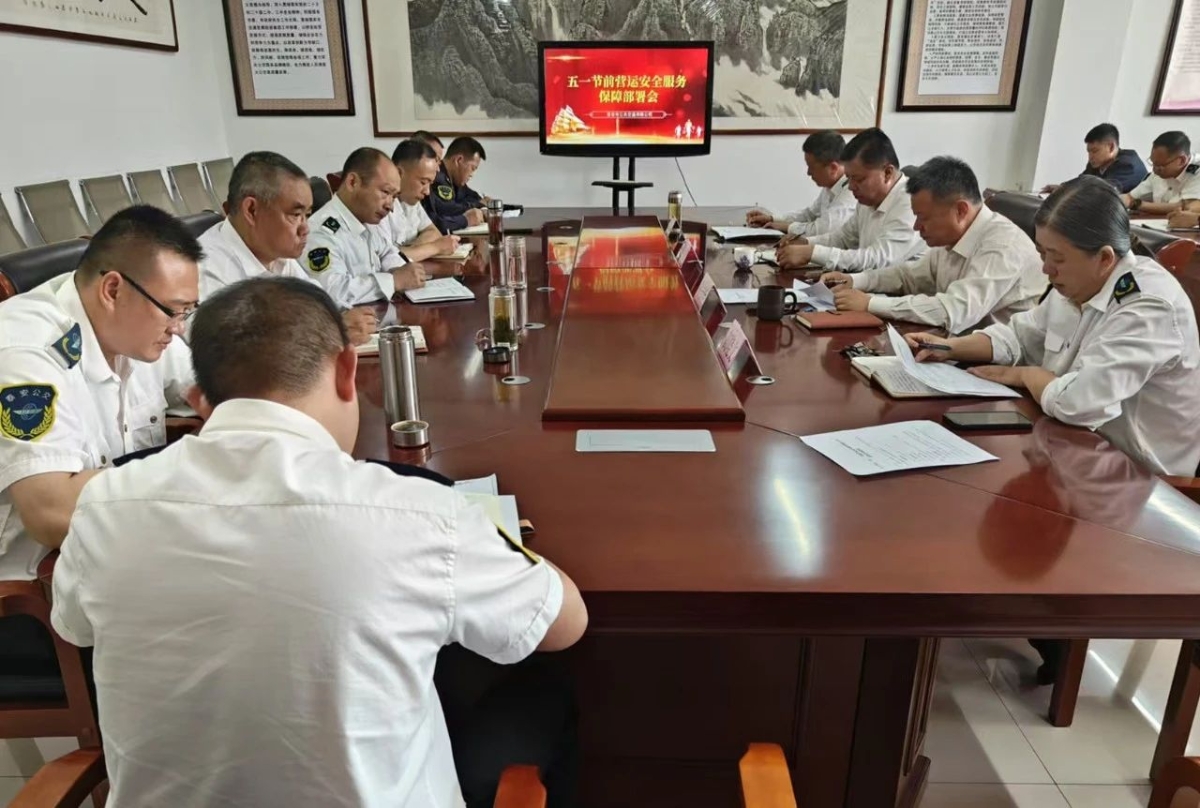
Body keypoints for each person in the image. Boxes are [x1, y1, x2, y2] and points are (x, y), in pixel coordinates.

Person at [50, 276, 589, 808]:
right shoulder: (417, 512)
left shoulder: (102, 506)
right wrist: (487, 536)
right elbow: (563, 623)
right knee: (539, 692)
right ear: (348, 369)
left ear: (200, 402)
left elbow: (76, 626)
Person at [907, 176, 1200, 477]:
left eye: (1057, 258)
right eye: (1042, 254)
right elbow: (1020, 336)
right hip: (1070, 446)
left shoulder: (1148, 306)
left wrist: (1025, 375)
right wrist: (950, 347)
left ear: (1104, 258)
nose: (1046, 269)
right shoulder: (1077, 283)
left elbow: (1079, 403)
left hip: (1140, 478)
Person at [0, 205, 199, 581]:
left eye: (187, 311)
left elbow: (217, 390)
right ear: (113, 290)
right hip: (39, 580)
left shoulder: (139, 325)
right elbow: (51, 515)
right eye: (173, 311)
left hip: (118, 547)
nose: (178, 328)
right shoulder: (27, 355)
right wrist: (194, 474)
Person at [820, 156, 1043, 333]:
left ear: (961, 210)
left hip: (1000, 367)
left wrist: (870, 303)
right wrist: (855, 280)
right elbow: (908, 276)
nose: (917, 226)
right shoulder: (951, 239)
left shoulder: (1003, 246)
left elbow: (953, 310)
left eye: (924, 218)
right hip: (953, 347)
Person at [199, 150, 377, 344]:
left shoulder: (275, 253)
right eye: (295, 215)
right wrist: (328, 331)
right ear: (252, 210)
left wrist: (342, 320)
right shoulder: (206, 270)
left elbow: (320, 305)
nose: (305, 228)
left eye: (307, 215)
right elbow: (234, 351)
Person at [777, 128, 926, 271]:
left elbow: (878, 259)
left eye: (858, 179)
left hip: (904, 288)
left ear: (887, 173)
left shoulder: (911, 202)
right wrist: (806, 243)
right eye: (848, 178)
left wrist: (812, 253)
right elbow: (843, 238)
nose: (851, 187)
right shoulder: (867, 199)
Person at [305, 147, 427, 308]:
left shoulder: (368, 218)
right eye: (385, 192)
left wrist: (404, 271)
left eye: (394, 196)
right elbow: (332, 292)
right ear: (352, 182)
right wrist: (393, 281)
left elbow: (387, 252)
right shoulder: (320, 232)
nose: (390, 206)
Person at [745, 130, 855, 239]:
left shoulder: (851, 191)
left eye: (812, 167)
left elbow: (822, 229)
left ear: (833, 168)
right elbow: (809, 215)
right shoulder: (831, 186)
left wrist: (787, 227)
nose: (808, 173)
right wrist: (772, 219)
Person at [377, 139, 462, 262]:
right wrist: (436, 247)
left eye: (430, 183)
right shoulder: (379, 206)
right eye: (423, 182)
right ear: (399, 173)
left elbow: (433, 232)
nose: (427, 192)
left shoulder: (411, 199)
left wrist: (413, 250)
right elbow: (387, 260)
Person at [1041, 123, 1148, 195]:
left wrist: (1067, 191)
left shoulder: (1128, 165)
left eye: (1095, 151)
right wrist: (1062, 187)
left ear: (1111, 147)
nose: (1090, 156)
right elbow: (1082, 181)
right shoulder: (1098, 162)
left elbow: (1103, 192)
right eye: (1088, 151)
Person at [1120, 130, 1200, 216]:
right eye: (1153, 163)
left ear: (1181, 160)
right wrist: (1116, 199)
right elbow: (1130, 197)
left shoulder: (1197, 171)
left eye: (1160, 166)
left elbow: (1185, 207)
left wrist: (1137, 204)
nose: (1154, 170)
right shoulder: (1158, 172)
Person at [424, 136, 488, 234]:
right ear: (458, 160)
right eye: (473, 168)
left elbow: (472, 196)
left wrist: (481, 202)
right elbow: (447, 209)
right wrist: (473, 211)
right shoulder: (438, 178)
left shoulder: (455, 179)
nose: (472, 175)